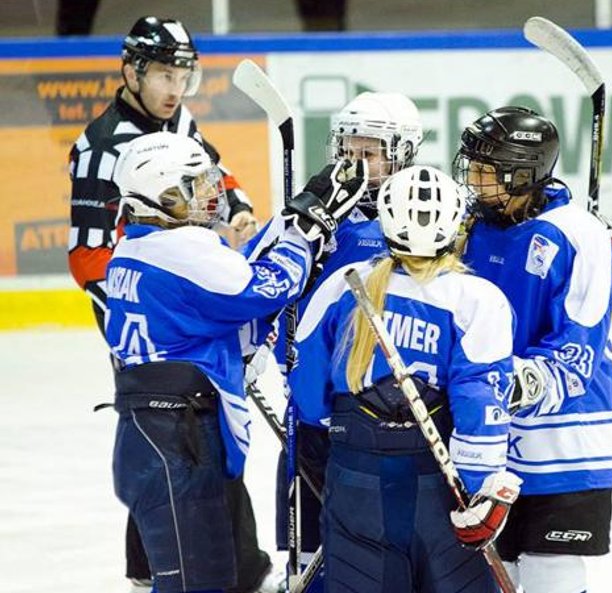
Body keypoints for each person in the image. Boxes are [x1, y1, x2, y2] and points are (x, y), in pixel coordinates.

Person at [106, 131, 366, 593]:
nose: (211, 193)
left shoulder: (136, 247)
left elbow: (229, 283)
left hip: (160, 434)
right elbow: (265, 286)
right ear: (163, 195)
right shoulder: (178, 250)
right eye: (194, 184)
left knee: (218, 576)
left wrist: (295, 220)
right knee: (199, 583)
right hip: (177, 441)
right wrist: (303, 236)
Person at [66, 16, 262, 591]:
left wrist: (239, 207)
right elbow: (88, 257)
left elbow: (216, 176)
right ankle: (174, 568)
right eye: (163, 75)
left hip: (182, 313)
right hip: (149, 330)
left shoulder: (180, 121)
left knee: (199, 443)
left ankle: (192, 565)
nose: (175, 89)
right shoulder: (102, 149)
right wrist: (141, 329)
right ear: (131, 72)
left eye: (184, 75)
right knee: (171, 445)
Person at [288, 165, 520, 592]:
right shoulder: (477, 299)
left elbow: (306, 392)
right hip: (440, 489)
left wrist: (340, 429)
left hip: (354, 478)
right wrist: (479, 490)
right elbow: (479, 400)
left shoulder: (343, 284)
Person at [258, 91, 423, 590]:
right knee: (310, 556)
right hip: (314, 410)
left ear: (403, 155)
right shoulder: (315, 219)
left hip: (397, 418)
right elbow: (258, 282)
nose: (355, 165)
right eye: (348, 151)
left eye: (370, 153)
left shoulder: (425, 221)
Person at [453, 106, 612, 593]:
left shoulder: (576, 232)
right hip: (488, 431)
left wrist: (514, 380)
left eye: (487, 171)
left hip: (566, 434)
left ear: (522, 174)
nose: (475, 181)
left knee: (551, 567)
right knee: (498, 569)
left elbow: (579, 351)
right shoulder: (469, 226)